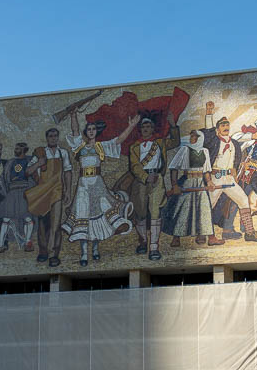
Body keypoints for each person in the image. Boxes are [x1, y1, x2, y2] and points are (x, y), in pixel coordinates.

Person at [62, 111, 139, 266]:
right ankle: (84, 253)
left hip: (97, 184)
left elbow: (118, 140)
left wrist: (131, 126)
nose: (91, 131)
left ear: (96, 132)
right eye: (88, 129)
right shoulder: (80, 147)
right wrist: (73, 116)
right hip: (83, 185)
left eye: (93, 129)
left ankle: (95, 248)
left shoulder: (101, 147)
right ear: (86, 132)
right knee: (83, 216)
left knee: (99, 215)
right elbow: (75, 131)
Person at [201, 104, 257, 242]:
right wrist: (209, 113)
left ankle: (249, 232)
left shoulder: (234, 142)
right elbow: (209, 131)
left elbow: (243, 145)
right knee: (207, 206)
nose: (225, 127)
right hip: (216, 177)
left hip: (229, 179)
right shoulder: (214, 141)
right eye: (222, 125)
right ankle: (202, 233)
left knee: (243, 200)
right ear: (218, 129)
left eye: (227, 125)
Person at [124, 115, 179, 260]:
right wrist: (144, 177)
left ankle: (154, 247)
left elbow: (175, 142)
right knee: (141, 213)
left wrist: (173, 126)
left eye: (148, 126)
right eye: (143, 127)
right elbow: (134, 166)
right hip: (141, 181)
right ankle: (143, 241)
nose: (146, 129)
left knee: (155, 213)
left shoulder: (159, 143)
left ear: (152, 128)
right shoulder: (134, 146)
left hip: (157, 179)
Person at [161, 130, 222, 247]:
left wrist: (209, 182)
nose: (192, 137)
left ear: (200, 138)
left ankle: (211, 237)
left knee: (204, 210)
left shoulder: (205, 151)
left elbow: (206, 170)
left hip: (200, 183)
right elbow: (174, 168)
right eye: (191, 135)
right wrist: (174, 185)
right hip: (187, 182)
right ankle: (176, 238)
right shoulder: (184, 150)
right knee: (183, 209)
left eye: (195, 136)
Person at [24, 128, 73, 266]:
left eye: (55, 136)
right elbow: (27, 171)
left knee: (55, 224)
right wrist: (38, 163)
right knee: (42, 224)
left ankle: (54, 254)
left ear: (58, 137)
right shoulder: (40, 153)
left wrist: (68, 191)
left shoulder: (63, 153)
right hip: (42, 192)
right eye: (50, 136)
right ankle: (43, 251)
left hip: (57, 192)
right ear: (47, 138)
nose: (53, 138)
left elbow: (67, 172)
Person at [0, 142, 37, 252]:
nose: (15, 150)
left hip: (25, 192)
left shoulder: (30, 160)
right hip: (12, 192)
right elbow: (2, 179)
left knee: (27, 218)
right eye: (15, 148)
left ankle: (27, 243)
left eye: (17, 148)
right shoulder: (11, 162)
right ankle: (0, 245)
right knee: (6, 219)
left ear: (23, 149)